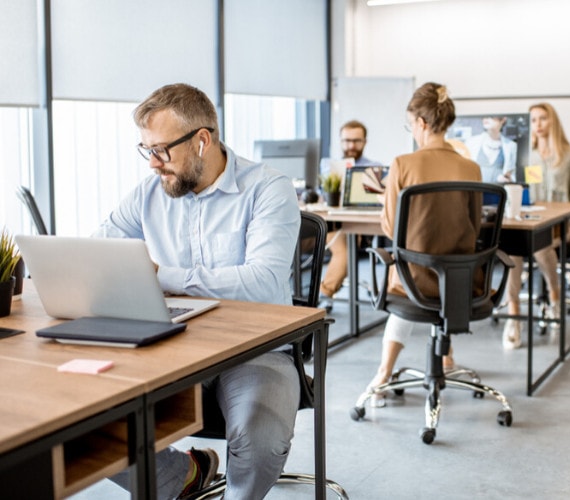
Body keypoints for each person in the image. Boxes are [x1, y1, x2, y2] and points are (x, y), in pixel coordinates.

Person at [96, 83, 301, 499]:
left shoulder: (268, 189)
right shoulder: (149, 194)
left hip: (256, 348)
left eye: (162, 150)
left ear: (202, 140)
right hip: (172, 343)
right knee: (84, 423)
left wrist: (162, 275)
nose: (153, 164)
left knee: (259, 442)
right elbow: (101, 249)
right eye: (146, 150)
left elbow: (261, 281)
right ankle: (183, 475)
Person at [364, 82, 482, 406]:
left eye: (411, 125)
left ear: (422, 123)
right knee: (434, 268)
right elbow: (476, 228)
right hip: (461, 283)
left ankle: (383, 374)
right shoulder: (471, 168)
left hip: (415, 282)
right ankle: (446, 358)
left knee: (406, 270)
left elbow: (390, 227)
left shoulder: (403, 164)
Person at [502, 102, 570, 349]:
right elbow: (522, 190)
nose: (538, 124)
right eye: (533, 120)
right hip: (532, 221)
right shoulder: (526, 156)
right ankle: (514, 315)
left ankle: (555, 297)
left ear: (552, 121)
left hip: (562, 225)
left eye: (543, 119)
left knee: (541, 246)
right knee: (513, 249)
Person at [319, 120, 380, 311]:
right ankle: (320, 296)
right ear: (340, 141)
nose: (351, 146)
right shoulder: (329, 167)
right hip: (333, 223)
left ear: (365, 141)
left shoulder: (373, 168)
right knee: (342, 248)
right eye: (346, 141)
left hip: (359, 224)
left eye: (356, 141)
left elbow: (377, 201)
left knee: (344, 250)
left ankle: (322, 296)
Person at [464, 116, 517, 183]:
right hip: (476, 191)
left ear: (503, 119)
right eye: (484, 115)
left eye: (492, 115)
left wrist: (508, 179)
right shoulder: (471, 143)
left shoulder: (511, 146)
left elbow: (513, 176)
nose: (486, 118)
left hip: (498, 191)